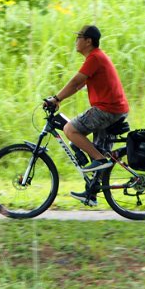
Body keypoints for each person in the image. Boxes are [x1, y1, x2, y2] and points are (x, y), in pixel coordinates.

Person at [43, 25, 128, 206]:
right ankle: (92, 193)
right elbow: (78, 86)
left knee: (70, 129)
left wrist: (56, 99)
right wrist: (59, 99)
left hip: (107, 109)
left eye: (79, 37)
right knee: (90, 146)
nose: (76, 41)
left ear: (88, 41)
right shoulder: (96, 58)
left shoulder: (95, 57)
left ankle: (99, 160)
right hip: (115, 109)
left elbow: (75, 82)